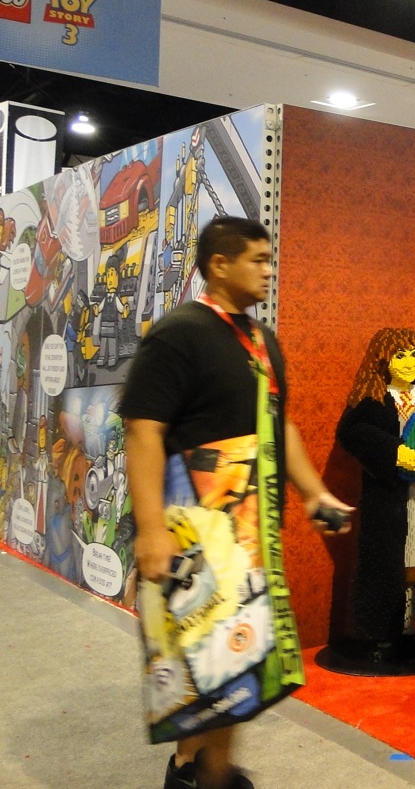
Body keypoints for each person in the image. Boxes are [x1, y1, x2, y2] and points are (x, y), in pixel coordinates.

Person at [123, 216, 353, 789]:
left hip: (249, 531)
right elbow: (143, 430)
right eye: (258, 259)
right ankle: (210, 774)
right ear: (219, 265)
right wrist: (150, 531)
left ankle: (194, 771)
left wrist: (314, 492)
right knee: (214, 667)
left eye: (270, 259)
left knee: (228, 667)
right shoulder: (178, 333)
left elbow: (278, 423)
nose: (269, 271)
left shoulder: (260, 340)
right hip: (194, 527)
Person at [335, 328, 415, 666]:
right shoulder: (373, 400)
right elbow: (351, 431)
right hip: (386, 500)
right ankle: (383, 632)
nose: (409, 362)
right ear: (383, 360)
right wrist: (393, 452)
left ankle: (408, 627)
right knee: (386, 564)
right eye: (400, 355)